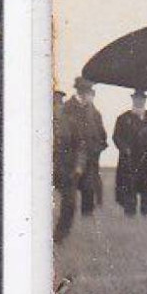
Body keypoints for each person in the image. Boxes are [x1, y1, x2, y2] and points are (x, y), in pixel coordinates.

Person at [112, 88, 147, 217]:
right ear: (133, 100)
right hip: (129, 161)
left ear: (145, 101)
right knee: (129, 187)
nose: (139, 102)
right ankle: (130, 213)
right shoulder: (123, 118)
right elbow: (116, 137)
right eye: (136, 99)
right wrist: (125, 149)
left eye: (141, 99)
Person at [63, 77, 107, 216]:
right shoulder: (67, 109)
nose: (90, 94)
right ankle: (67, 220)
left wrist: (97, 148)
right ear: (81, 91)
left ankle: (86, 218)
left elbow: (102, 135)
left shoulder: (94, 112)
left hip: (90, 156)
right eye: (88, 91)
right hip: (71, 156)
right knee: (70, 189)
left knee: (88, 188)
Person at [53, 90, 83, 244]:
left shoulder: (70, 123)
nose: (56, 106)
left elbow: (79, 146)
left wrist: (78, 165)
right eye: (53, 103)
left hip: (66, 170)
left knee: (70, 202)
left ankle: (60, 235)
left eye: (59, 103)